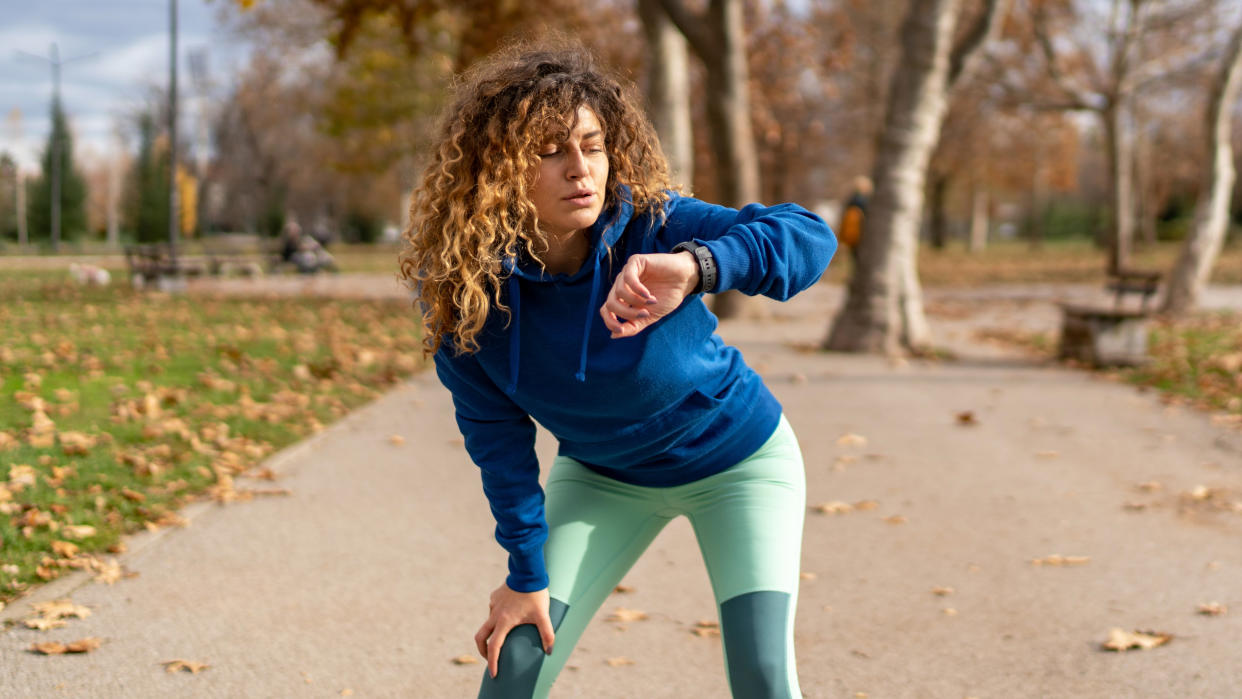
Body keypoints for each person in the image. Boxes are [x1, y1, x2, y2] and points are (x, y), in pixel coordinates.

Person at [398, 43, 836, 699]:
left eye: (592, 145)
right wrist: (524, 574)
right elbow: (500, 443)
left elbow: (807, 237)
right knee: (513, 671)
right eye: (549, 150)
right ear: (496, 169)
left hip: (740, 464)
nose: (580, 169)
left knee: (763, 676)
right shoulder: (468, 301)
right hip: (604, 478)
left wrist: (695, 269)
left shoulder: (657, 226)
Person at [837, 175, 872, 265]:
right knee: (860, 257)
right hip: (859, 233)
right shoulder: (863, 201)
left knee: (854, 257)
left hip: (852, 235)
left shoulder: (851, 200)